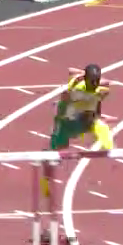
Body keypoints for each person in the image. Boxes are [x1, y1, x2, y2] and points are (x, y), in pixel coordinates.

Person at [41, 65, 116, 199]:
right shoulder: (79, 89)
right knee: (55, 153)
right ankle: (45, 182)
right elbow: (67, 99)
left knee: (102, 128)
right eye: (92, 81)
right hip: (67, 122)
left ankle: (111, 150)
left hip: (85, 120)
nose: (94, 84)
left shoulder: (96, 87)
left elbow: (72, 71)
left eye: (96, 81)